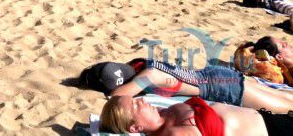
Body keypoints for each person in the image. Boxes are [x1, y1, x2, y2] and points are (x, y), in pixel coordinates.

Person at [106, 58, 293, 113]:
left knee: (286, 107)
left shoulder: (150, 74)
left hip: (219, 87)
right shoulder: (148, 64)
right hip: (216, 75)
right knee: (285, 97)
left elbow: (117, 96)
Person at [101, 93, 293, 135]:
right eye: (135, 105)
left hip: (269, 118)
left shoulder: (163, 114)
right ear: (135, 127)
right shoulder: (173, 133)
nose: (142, 100)